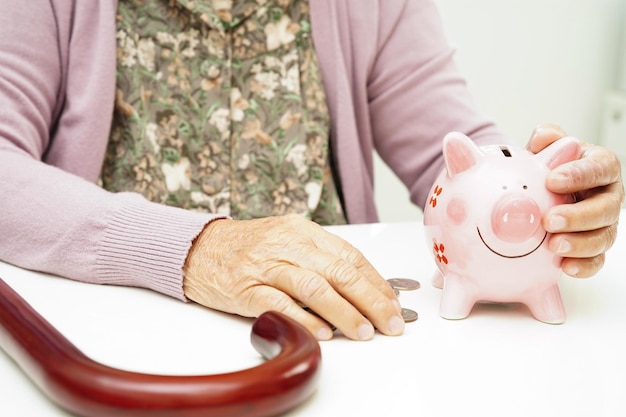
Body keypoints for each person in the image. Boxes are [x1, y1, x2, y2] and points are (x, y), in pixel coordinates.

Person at [0, 0, 622, 342]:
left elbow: (456, 149)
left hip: (333, 336)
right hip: (111, 335)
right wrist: (198, 250)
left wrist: (538, 193)